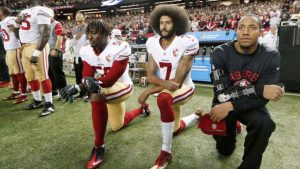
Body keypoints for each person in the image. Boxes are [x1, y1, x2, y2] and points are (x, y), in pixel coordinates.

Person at [60, 20, 150, 169]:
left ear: (106, 34)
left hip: (123, 86)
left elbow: (109, 80)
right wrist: (80, 86)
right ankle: (142, 109)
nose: (90, 37)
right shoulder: (87, 50)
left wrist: (83, 86)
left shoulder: (120, 47)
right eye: (89, 33)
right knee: (116, 126)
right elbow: (87, 76)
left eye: (94, 33)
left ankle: (98, 147)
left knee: (96, 95)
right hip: (107, 89)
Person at [208, 14, 284, 169]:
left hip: (248, 105)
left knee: (265, 122)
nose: (245, 32)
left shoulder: (271, 56)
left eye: (252, 28)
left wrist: (232, 105)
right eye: (241, 27)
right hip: (224, 105)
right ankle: (233, 128)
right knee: (225, 151)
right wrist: (259, 89)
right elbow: (222, 95)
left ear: (261, 32)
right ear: (236, 31)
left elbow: (263, 99)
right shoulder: (219, 53)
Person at [138, 5, 201, 169]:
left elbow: (177, 83)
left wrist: (149, 90)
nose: (164, 26)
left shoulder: (187, 42)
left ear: (177, 24)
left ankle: (166, 152)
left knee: (164, 97)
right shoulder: (152, 42)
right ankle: (195, 116)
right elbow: (151, 75)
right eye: (161, 22)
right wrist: (162, 84)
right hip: (168, 88)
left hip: (185, 88)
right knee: (173, 129)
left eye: (168, 23)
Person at [15, 0, 55, 116]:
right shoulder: (23, 11)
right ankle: (37, 100)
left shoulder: (41, 10)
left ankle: (49, 104)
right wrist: (17, 24)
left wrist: (37, 52)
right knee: (30, 76)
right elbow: (18, 34)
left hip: (37, 45)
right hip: (25, 46)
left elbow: (46, 33)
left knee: (43, 75)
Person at [0, 7, 28, 103]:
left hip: (15, 48)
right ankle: (16, 92)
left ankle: (24, 94)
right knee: (12, 73)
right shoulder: (3, 21)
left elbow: (16, 29)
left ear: (3, 13)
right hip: (8, 49)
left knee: (19, 71)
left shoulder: (9, 19)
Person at [69, 12, 88, 98]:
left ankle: (87, 92)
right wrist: (76, 39)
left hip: (86, 56)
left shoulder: (88, 28)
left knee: (86, 75)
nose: (79, 22)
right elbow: (70, 44)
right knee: (78, 75)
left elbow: (90, 42)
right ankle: (80, 92)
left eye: (80, 19)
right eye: (77, 19)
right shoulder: (74, 29)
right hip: (77, 55)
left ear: (84, 19)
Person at [48, 18, 67, 98]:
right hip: (47, 51)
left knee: (57, 72)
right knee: (50, 72)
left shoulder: (56, 24)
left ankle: (64, 92)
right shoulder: (44, 24)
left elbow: (60, 38)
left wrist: (56, 49)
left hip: (55, 50)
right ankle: (54, 91)